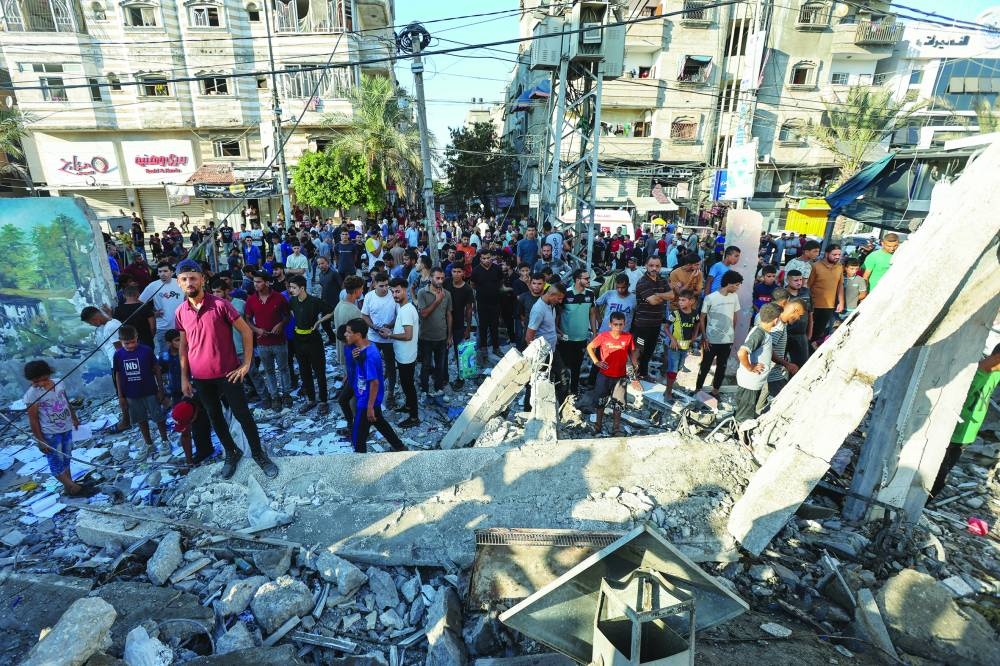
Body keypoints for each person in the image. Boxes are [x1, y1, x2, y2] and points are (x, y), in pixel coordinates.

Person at [174, 258, 278, 479]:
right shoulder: (181, 311)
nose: (189, 282)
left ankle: (259, 454)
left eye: (193, 278)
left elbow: (246, 331)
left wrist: (246, 364)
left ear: (202, 279)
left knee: (243, 415)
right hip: (201, 377)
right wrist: (184, 378)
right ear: (179, 283)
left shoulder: (221, 305)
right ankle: (231, 452)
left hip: (228, 373)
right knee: (215, 417)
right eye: (184, 279)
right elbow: (183, 346)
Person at [930, 345, 1000, 497]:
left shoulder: (996, 373)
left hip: (964, 438)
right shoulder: (971, 375)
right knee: (935, 481)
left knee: (939, 480)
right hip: (950, 435)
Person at [23, 360, 97, 497]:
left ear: (49, 374)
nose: (40, 384)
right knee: (56, 462)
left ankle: (69, 486)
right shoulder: (31, 395)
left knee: (66, 457)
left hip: (66, 428)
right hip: (50, 433)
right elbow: (33, 419)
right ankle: (73, 488)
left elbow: (66, 401)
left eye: (43, 379)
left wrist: (74, 417)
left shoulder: (59, 383)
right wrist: (40, 440)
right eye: (35, 381)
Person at [344, 318, 407, 453]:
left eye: (348, 332)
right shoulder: (364, 348)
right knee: (380, 423)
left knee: (358, 438)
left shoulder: (370, 355)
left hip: (366, 402)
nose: (345, 335)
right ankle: (399, 446)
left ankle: (360, 462)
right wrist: (358, 360)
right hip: (368, 399)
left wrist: (370, 407)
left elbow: (374, 382)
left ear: (358, 335)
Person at [113, 325, 169, 458]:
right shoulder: (118, 355)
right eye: (127, 343)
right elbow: (118, 375)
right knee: (140, 419)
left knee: (158, 417)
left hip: (150, 391)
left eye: (133, 341)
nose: (131, 345)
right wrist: (121, 396)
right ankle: (149, 444)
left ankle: (165, 440)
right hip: (131, 394)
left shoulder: (146, 351)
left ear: (137, 337)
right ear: (120, 341)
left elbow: (156, 370)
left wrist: (160, 389)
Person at [160, 329, 214, 466]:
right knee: (184, 422)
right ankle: (189, 458)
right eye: (177, 340)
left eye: (181, 339)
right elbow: (161, 372)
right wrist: (164, 392)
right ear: (169, 343)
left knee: (200, 422)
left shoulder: (190, 352)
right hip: (177, 393)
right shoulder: (165, 356)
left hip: (192, 391)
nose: (180, 342)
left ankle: (205, 450)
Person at [244, 272, 292, 412]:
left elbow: (287, 316)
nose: (256, 285)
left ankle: (287, 394)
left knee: (283, 368)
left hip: (279, 340)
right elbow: (248, 319)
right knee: (269, 371)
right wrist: (256, 330)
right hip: (262, 342)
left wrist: (281, 324)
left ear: (266, 282)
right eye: (254, 282)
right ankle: (275, 396)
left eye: (258, 282)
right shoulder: (251, 300)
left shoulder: (279, 298)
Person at [586, 312, 640, 435]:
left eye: (621, 324)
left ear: (624, 324)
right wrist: (596, 361)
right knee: (600, 402)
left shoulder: (628, 337)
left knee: (618, 404)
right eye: (615, 324)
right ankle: (597, 426)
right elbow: (589, 347)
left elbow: (632, 352)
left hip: (620, 377)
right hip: (604, 376)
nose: (618, 327)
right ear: (610, 324)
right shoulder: (603, 336)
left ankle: (616, 429)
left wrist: (635, 364)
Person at [287, 275, 334, 416]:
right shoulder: (293, 301)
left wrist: (319, 322)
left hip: (313, 340)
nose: (291, 290)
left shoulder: (314, 301)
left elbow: (331, 311)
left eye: (294, 288)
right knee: (304, 371)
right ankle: (311, 399)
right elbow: (292, 312)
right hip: (298, 339)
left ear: (302, 288)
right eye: (290, 287)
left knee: (319, 371)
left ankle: (323, 401)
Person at [734, 302, 783, 428]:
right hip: (750, 383)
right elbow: (742, 353)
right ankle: (740, 437)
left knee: (744, 410)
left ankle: (737, 432)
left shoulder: (762, 332)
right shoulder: (759, 334)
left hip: (752, 382)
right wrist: (751, 367)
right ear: (776, 320)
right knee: (744, 416)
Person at [695, 270, 743, 397]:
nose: (738, 288)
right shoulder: (710, 298)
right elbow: (702, 317)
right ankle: (698, 389)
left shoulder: (734, 297)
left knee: (722, 366)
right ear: (730, 284)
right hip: (711, 339)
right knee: (705, 365)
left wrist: (731, 332)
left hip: (727, 340)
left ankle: (715, 390)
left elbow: (734, 316)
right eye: (737, 285)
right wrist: (704, 337)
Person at [382, 278, 420, 427]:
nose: (395, 295)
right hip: (404, 354)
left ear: (405, 290)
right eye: (393, 292)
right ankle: (409, 406)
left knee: (408, 386)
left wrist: (389, 334)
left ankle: (414, 418)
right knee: (405, 384)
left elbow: (408, 335)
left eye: (398, 291)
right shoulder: (404, 308)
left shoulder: (407, 310)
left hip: (406, 356)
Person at [525, 282, 568, 407]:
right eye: (559, 298)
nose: (560, 302)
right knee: (535, 382)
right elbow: (529, 336)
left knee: (563, 377)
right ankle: (528, 410)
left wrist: (558, 334)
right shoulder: (539, 309)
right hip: (543, 354)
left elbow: (549, 326)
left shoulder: (550, 305)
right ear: (551, 295)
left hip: (553, 350)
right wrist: (537, 357)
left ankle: (561, 409)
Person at [361, 272, 399, 407]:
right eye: (381, 286)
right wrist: (373, 327)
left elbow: (398, 315)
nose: (385, 288)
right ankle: (373, 392)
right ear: (375, 284)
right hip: (373, 338)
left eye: (387, 285)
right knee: (373, 365)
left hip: (389, 338)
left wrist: (389, 326)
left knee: (391, 366)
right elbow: (364, 315)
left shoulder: (393, 295)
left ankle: (390, 394)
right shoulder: (369, 297)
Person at [632, 256, 671, 380]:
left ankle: (643, 374)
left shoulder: (662, 280)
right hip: (642, 326)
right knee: (638, 351)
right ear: (646, 266)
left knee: (649, 351)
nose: (654, 268)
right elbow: (653, 301)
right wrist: (661, 296)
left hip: (655, 324)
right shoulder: (643, 282)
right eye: (651, 265)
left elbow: (672, 295)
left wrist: (658, 294)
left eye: (657, 266)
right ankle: (632, 377)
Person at [561, 268, 598, 396]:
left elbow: (592, 313)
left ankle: (574, 391)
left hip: (582, 338)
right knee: (564, 366)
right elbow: (557, 315)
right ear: (577, 280)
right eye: (586, 278)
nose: (589, 280)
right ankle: (562, 390)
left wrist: (594, 332)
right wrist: (558, 333)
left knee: (577, 366)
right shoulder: (566, 294)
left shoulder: (590, 294)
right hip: (566, 339)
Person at [416, 267, 452, 397]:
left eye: (442, 278)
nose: (440, 281)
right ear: (431, 278)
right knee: (426, 365)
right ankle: (424, 389)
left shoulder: (447, 293)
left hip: (441, 337)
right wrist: (437, 300)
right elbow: (424, 314)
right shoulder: (422, 293)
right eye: (437, 278)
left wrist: (449, 336)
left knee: (440, 365)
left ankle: (438, 388)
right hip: (426, 337)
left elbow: (449, 315)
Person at [661, 289, 698, 398]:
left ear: (691, 301)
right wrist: (672, 339)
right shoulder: (675, 314)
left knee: (678, 368)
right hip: (674, 347)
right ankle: (668, 392)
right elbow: (666, 327)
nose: (680, 302)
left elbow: (697, 324)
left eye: (683, 300)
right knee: (672, 369)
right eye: (679, 300)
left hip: (685, 347)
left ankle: (670, 387)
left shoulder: (695, 314)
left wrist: (694, 336)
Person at [807, 244, 844, 346]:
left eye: (839, 254)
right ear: (827, 254)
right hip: (814, 305)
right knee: (808, 332)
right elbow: (808, 286)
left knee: (819, 333)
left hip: (829, 306)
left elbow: (840, 285)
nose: (837, 256)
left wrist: (841, 302)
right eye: (834, 254)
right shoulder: (816, 266)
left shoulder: (840, 267)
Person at [471, 248, 504, 359]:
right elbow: (473, 285)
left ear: (492, 257)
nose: (486, 260)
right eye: (484, 258)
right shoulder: (475, 270)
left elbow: (500, 283)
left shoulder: (497, 269)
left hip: (495, 302)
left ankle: (496, 347)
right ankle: (484, 348)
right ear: (480, 258)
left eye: (488, 258)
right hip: (482, 303)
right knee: (483, 326)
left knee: (494, 326)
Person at [784, 270, 813, 367]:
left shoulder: (806, 292)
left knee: (801, 365)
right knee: (782, 363)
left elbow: (810, 314)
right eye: (796, 280)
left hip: (801, 335)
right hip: (784, 334)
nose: (799, 282)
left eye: (801, 279)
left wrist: (809, 335)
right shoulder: (782, 294)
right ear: (788, 280)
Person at [114, 285, 156, 350]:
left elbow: (116, 327)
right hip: (146, 339)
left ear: (124, 296)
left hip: (128, 342)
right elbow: (152, 326)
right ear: (138, 294)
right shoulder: (145, 307)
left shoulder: (118, 309)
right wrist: (151, 337)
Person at [315, 255, 342, 346]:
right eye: (319, 264)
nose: (321, 265)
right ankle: (332, 338)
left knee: (338, 324)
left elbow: (342, 287)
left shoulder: (334, 273)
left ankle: (341, 341)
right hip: (325, 303)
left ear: (327, 263)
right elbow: (323, 287)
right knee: (325, 324)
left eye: (322, 263)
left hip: (336, 303)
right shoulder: (320, 274)